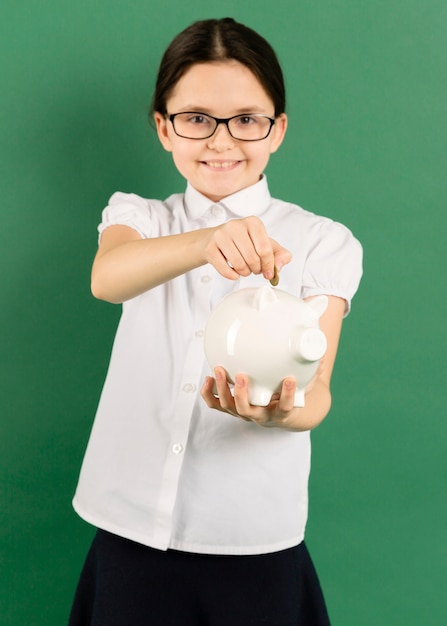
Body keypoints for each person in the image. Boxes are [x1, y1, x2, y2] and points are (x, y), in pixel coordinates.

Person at [69, 17, 362, 626]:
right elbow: (108, 278)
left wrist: (279, 410)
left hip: (253, 538)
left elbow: (318, 393)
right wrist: (210, 239)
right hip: (130, 534)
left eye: (247, 120)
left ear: (277, 130)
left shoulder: (322, 242)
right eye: (196, 119)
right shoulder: (139, 216)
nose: (222, 142)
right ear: (163, 127)